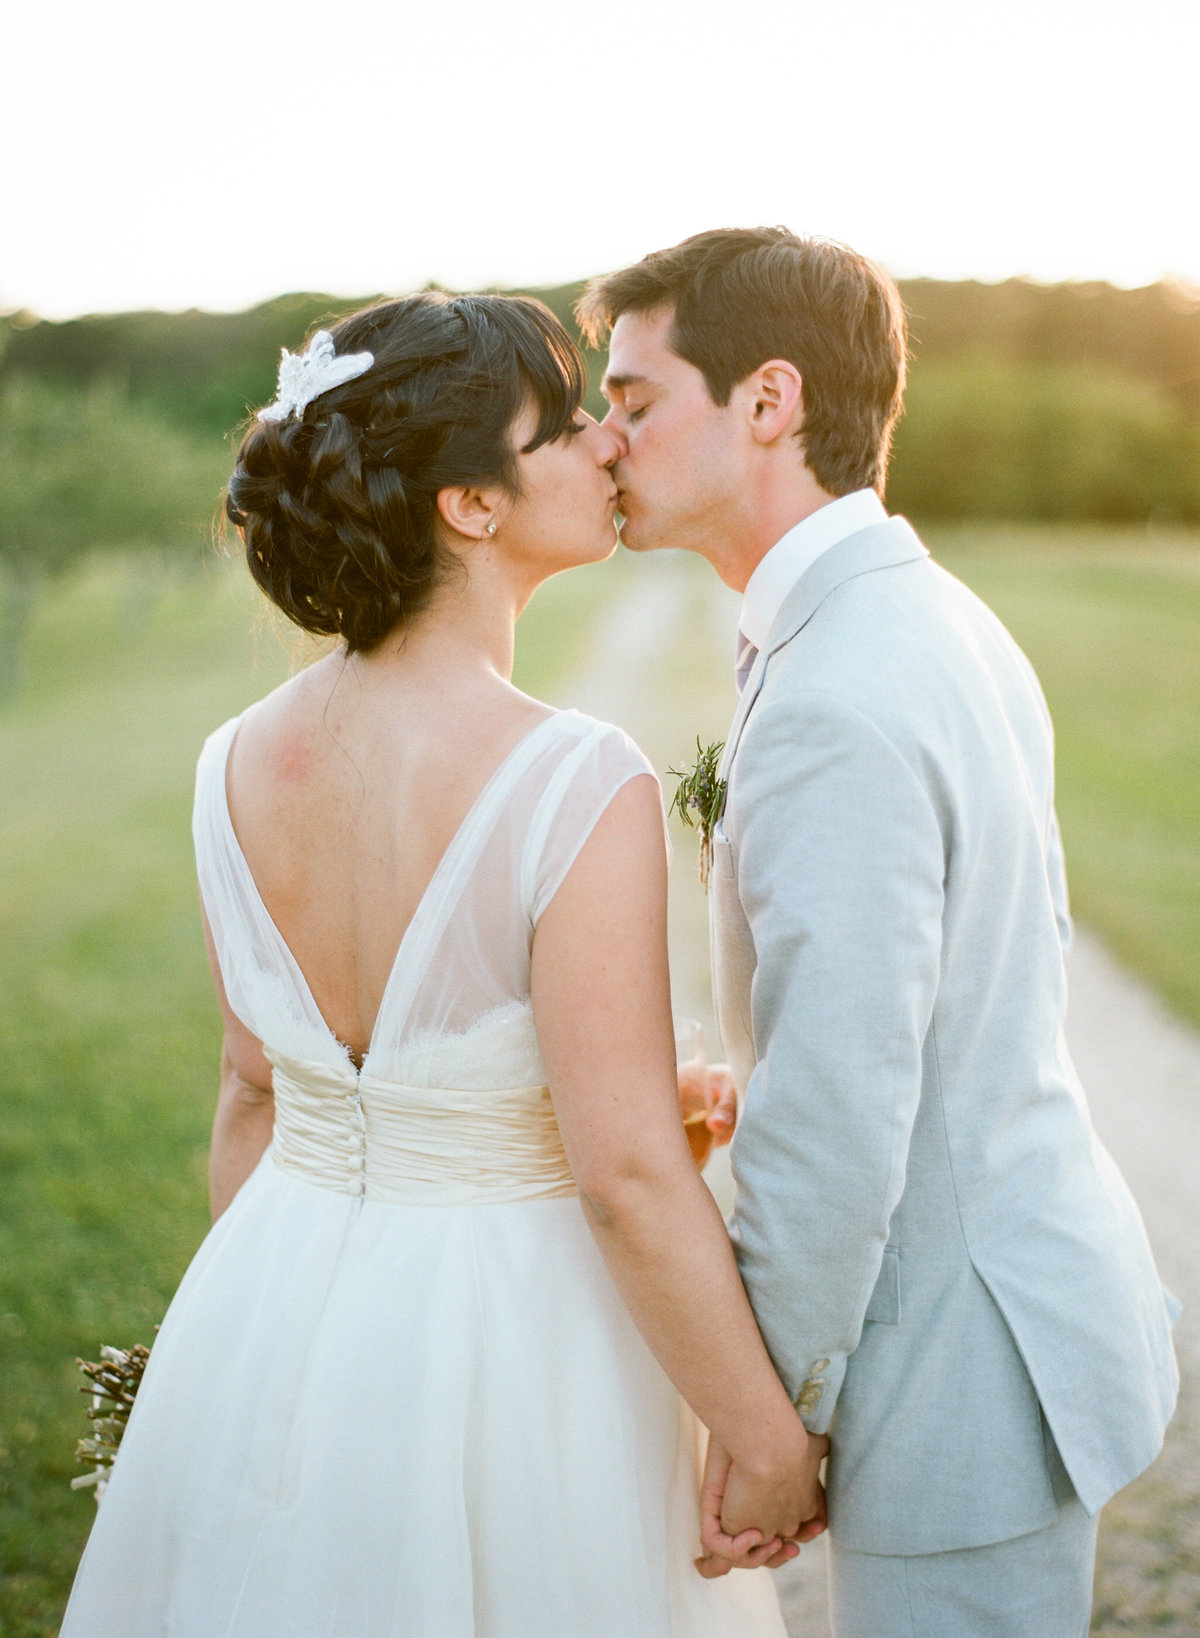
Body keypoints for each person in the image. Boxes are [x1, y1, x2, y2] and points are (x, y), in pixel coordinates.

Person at [59, 292, 825, 1636]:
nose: (606, 446)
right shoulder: (575, 776)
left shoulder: (229, 763)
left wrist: (280, 1343)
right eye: (567, 424)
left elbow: (256, 1090)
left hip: (269, 1306)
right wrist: (760, 1434)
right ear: (470, 504)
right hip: (514, 1343)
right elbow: (629, 1177)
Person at [579, 227, 1181, 1637]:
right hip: (1008, 1303)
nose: (606, 441)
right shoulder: (926, 613)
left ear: (769, 402)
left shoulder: (844, 684)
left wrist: (765, 1420)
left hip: (963, 1365)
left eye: (636, 399)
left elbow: (842, 1112)